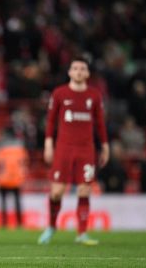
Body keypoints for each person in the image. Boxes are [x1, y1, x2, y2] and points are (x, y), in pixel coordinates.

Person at [38, 57, 109, 246]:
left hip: (86, 149)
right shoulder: (60, 93)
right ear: (70, 72)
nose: (78, 72)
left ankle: (82, 233)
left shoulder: (94, 95)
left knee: (84, 189)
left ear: (87, 73)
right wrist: (48, 144)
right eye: (75, 68)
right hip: (64, 148)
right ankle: (52, 226)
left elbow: (100, 123)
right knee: (57, 192)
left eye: (82, 69)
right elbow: (51, 120)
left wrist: (105, 145)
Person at [0, 127, 28, 229]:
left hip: (3, 179)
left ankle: (4, 223)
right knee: (17, 202)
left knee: (3, 202)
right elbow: (24, 163)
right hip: (16, 179)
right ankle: (20, 223)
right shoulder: (19, 147)